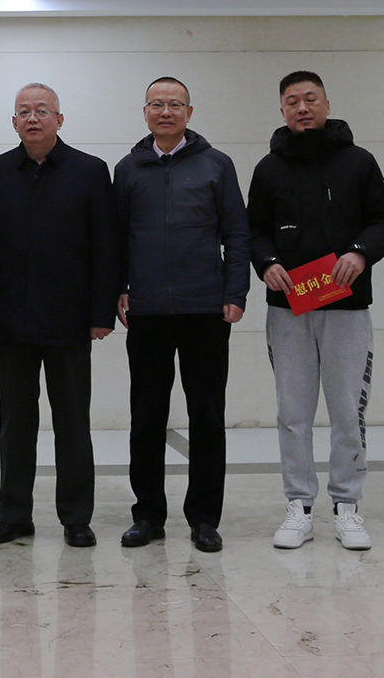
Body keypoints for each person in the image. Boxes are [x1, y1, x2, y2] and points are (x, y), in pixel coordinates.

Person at [249, 70, 384, 553]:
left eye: (310, 99)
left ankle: (347, 506)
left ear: (327, 104)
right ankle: (299, 506)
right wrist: (266, 262)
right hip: (288, 307)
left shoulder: (359, 162)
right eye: (292, 101)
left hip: (346, 304)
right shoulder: (268, 168)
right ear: (282, 110)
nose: (302, 108)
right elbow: (253, 230)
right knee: (292, 413)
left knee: (347, 411)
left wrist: (360, 253)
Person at [0, 83, 118, 548]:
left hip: (69, 319)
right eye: (24, 112)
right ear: (13, 122)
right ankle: (14, 515)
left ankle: (76, 517)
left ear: (59, 119)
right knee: (16, 423)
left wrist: (102, 311)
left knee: (72, 422)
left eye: (42, 111)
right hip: (10, 319)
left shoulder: (90, 171)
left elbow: (106, 246)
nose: (32, 118)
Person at [114, 75, 250, 554]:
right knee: (146, 415)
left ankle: (204, 518)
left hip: (205, 308)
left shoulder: (217, 165)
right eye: (157, 104)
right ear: (145, 112)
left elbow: (237, 234)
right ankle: (147, 514)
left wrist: (235, 292)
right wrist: (119, 289)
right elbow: (116, 238)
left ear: (189, 113)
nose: (166, 112)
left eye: (175, 104)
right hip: (147, 310)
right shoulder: (128, 169)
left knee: (207, 415)